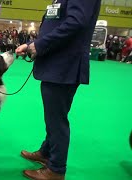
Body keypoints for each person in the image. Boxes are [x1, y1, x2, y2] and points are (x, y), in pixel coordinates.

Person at [15, 0, 102, 179]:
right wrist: (35, 44)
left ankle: (56, 170)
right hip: (56, 63)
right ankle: (47, 153)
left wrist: (38, 45)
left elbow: (76, 23)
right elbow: (56, 23)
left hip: (64, 65)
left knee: (56, 119)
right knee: (53, 116)